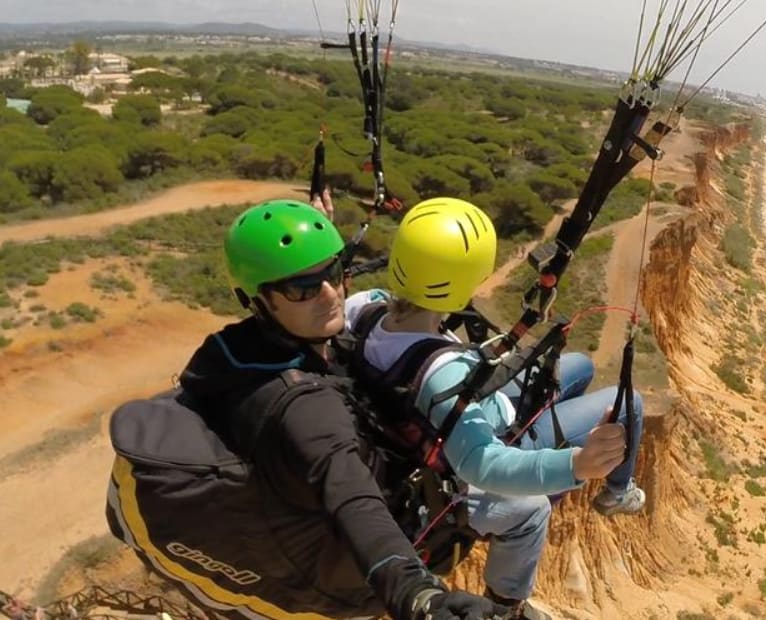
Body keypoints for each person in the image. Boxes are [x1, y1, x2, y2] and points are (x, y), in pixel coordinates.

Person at [152, 198, 509, 620]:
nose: (330, 295)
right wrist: (419, 598)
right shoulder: (305, 410)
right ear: (259, 300)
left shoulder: (231, 350)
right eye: (301, 287)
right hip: (340, 574)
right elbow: (355, 501)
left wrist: (306, 240)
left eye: (334, 272)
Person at [345, 198, 646, 619]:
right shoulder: (444, 374)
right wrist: (577, 464)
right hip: (472, 443)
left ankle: (614, 489)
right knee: (628, 403)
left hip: (427, 412)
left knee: (579, 367)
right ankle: (508, 605)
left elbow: (426, 353)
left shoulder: (363, 307)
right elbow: (483, 465)